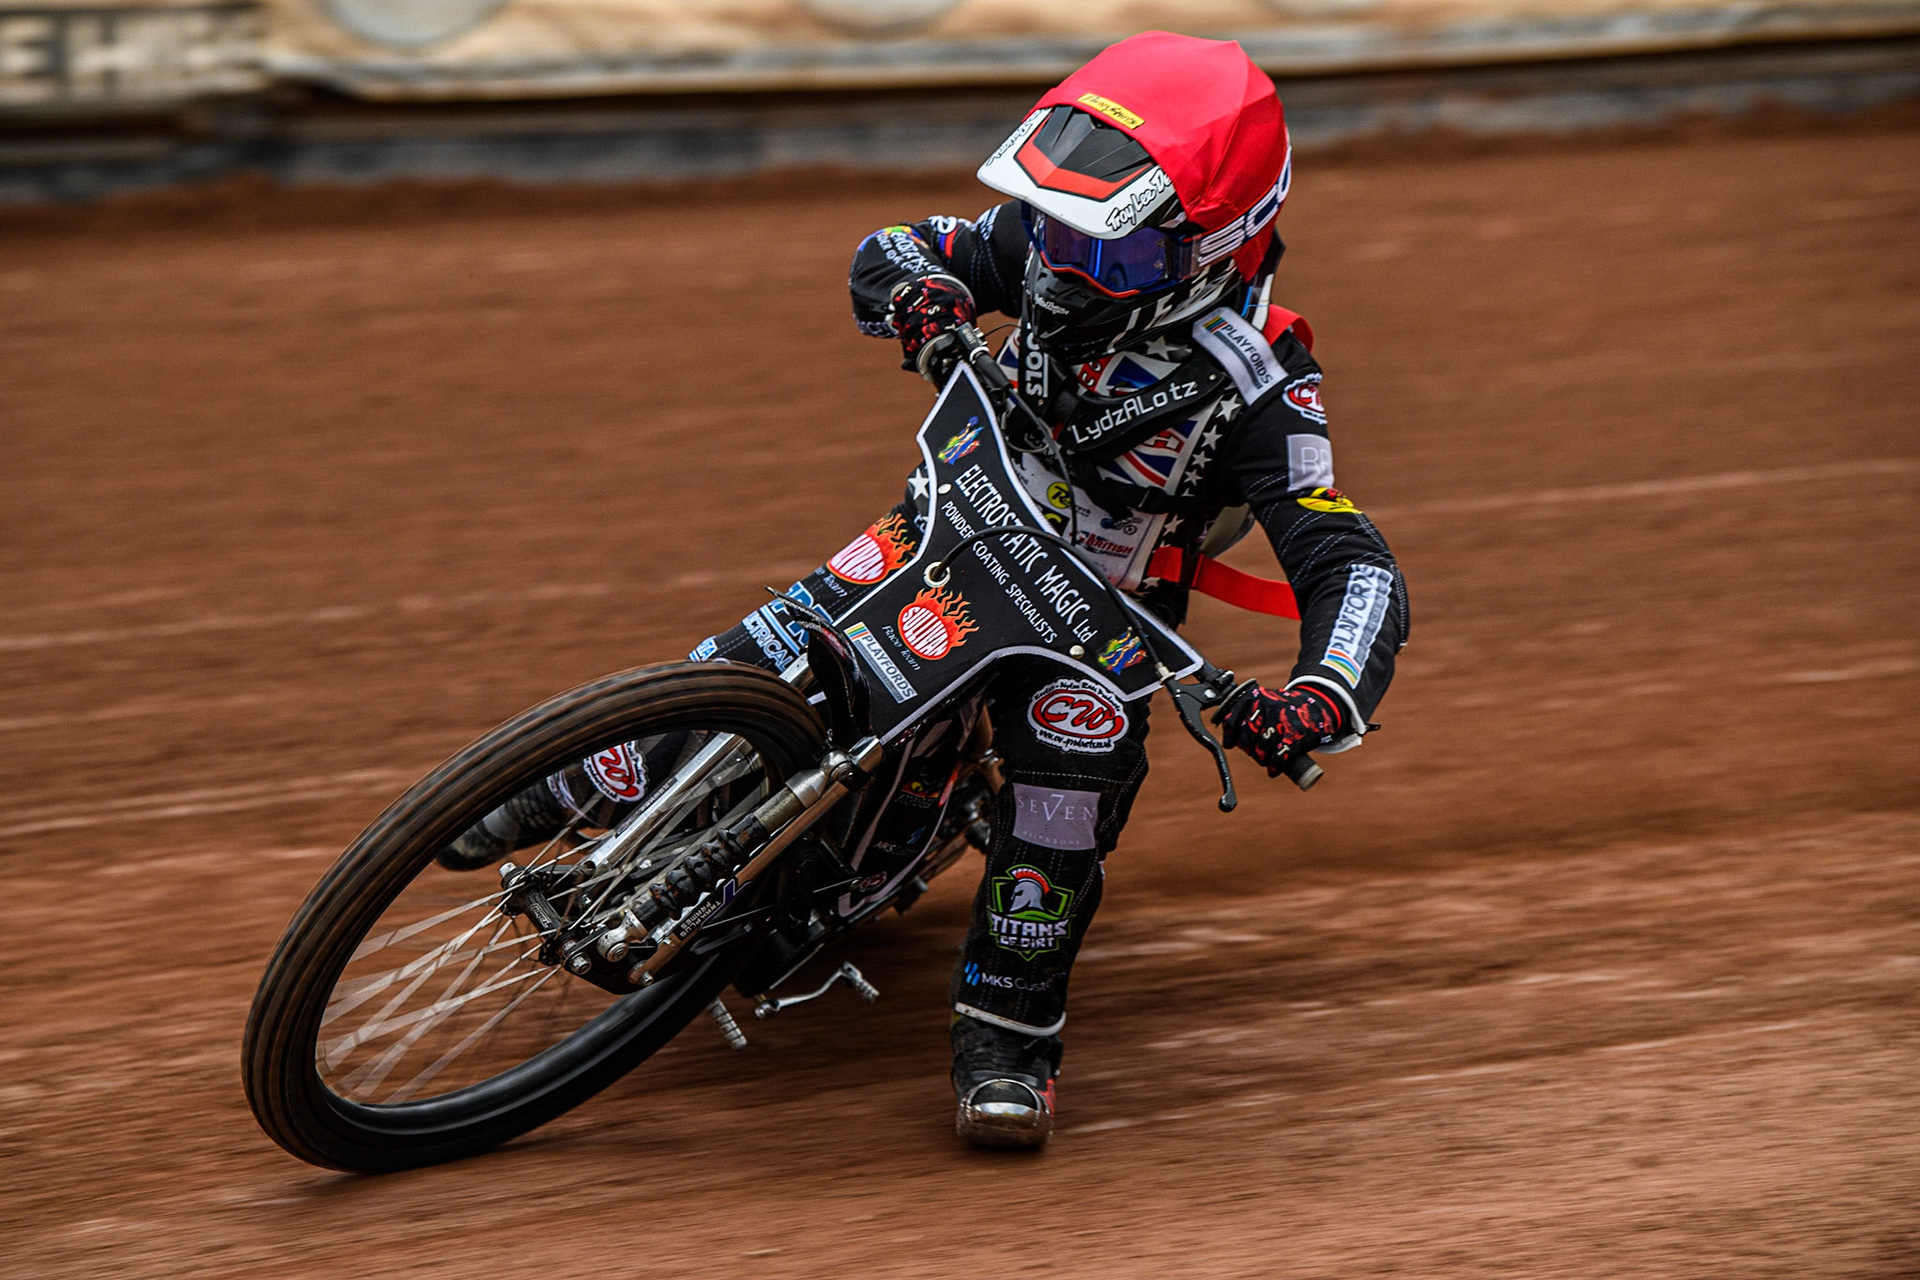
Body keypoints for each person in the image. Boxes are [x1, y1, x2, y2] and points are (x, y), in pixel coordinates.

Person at [446, 31, 1408, 1151]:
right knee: (764, 656)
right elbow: (894, 245)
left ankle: (1007, 1031)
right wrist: (926, 302)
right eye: (1055, 227)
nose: (1068, 267)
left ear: (1216, 250)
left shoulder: (1267, 386)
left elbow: (1350, 560)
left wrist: (1320, 696)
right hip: (945, 532)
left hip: (1088, 633)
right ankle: (571, 774)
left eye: (1114, 254)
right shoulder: (1048, 249)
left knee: (1069, 790)